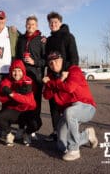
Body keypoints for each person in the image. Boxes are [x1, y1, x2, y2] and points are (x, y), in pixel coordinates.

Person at [42, 51, 98, 161]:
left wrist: (51, 83)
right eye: (51, 63)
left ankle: (74, 150)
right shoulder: (53, 78)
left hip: (86, 107)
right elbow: (46, 95)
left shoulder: (74, 70)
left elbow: (70, 88)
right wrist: (59, 80)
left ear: (62, 60)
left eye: (57, 61)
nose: (54, 65)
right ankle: (87, 135)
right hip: (68, 112)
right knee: (61, 146)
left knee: (70, 112)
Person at [44, 11, 79, 142]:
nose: (53, 24)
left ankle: (70, 131)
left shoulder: (68, 37)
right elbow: (47, 58)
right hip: (53, 76)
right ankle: (56, 131)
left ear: (60, 22)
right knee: (53, 105)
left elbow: (74, 58)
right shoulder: (49, 39)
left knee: (67, 105)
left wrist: (67, 71)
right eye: (51, 23)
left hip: (66, 75)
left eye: (55, 22)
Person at [0, 60, 41, 146]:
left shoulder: (28, 81)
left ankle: (27, 133)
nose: (16, 73)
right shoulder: (7, 80)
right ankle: (9, 134)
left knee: (37, 123)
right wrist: (13, 93)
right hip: (15, 110)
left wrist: (12, 94)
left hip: (28, 110)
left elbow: (28, 100)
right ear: (11, 71)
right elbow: (2, 95)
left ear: (23, 71)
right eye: (14, 71)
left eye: (19, 70)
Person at [16, 15, 45, 138]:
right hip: (22, 76)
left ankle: (32, 129)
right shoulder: (21, 39)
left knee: (35, 104)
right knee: (22, 103)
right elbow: (17, 57)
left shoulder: (42, 40)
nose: (30, 26)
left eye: (33, 24)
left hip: (35, 77)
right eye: (28, 24)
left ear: (36, 26)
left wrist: (35, 62)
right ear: (25, 25)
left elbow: (46, 60)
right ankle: (21, 128)